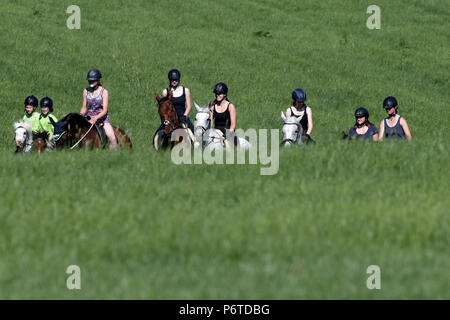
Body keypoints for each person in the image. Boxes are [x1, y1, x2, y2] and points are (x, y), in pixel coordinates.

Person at [80, 68, 117, 149]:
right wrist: (81, 115)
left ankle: (113, 155)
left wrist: (95, 119)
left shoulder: (104, 92)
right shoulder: (86, 91)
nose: (91, 82)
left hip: (102, 119)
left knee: (113, 138)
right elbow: (84, 107)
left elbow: (105, 110)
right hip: (89, 118)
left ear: (98, 80)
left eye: (93, 81)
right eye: (89, 81)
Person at [160, 69, 194, 133]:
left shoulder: (185, 90)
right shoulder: (165, 92)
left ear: (179, 79)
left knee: (193, 132)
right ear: (169, 80)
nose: (174, 81)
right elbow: (163, 108)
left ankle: (194, 142)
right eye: (172, 80)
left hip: (182, 117)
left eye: (176, 79)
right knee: (156, 136)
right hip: (170, 119)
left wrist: (184, 116)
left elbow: (189, 106)